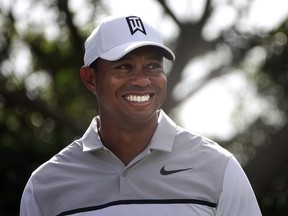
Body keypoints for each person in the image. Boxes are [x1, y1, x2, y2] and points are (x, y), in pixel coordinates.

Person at [20, 15, 262, 216]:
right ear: (90, 79)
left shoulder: (219, 168)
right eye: (124, 66)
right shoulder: (45, 186)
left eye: (153, 66)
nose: (142, 80)